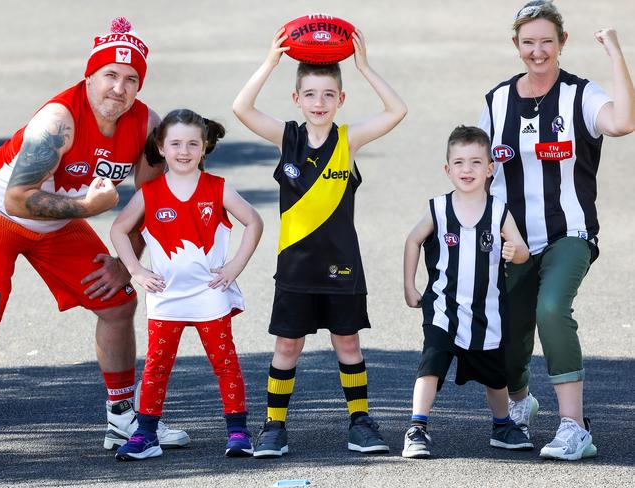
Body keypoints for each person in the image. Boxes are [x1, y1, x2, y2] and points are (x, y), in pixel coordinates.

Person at [0, 17, 189, 450]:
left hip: (56, 223)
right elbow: (20, 198)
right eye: (109, 76)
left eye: (130, 79)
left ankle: (121, 418)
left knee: (118, 302)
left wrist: (125, 263)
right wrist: (86, 208)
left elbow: (152, 202)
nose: (119, 88)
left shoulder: (146, 124)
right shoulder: (57, 120)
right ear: (89, 76)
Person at [232, 27, 407, 457]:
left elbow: (397, 110)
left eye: (329, 95)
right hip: (295, 268)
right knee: (287, 346)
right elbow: (241, 107)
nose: (319, 103)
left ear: (341, 100)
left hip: (343, 266)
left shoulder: (349, 141)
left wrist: (363, 67)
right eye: (310, 95)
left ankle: (360, 423)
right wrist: (271, 62)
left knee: (348, 343)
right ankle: (273, 426)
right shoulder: (286, 138)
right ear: (297, 99)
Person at [479, 0, 635, 460]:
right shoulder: (497, 99)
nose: (538, 51)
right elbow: (479, 170)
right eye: (529, 42)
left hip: (570, 234)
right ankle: (522, 401)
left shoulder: (581, 95)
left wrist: (615, 53)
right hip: (514, 238)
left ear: (562, 43)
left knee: (551, 309)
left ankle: (574, 428)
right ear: (516, 46)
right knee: (507, 338)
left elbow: (623, 122)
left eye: (547, 41)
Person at [110, 109, 264, 460]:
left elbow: (253, 222)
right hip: (166, 297)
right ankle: (147, 435)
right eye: (175, 143)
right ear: (161, 148)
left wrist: (234, 268)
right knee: (156, 366)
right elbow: (118, 228)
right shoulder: (149, 193)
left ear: (205, 146)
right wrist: (135, 270)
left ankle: (238, 432)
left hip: (210, 294)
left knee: (225, 363)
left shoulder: (218, 188)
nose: (184, 151)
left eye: (192, 144)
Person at [402, 125, 532, 459]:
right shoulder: (439, 209)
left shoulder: (498, 211)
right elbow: (413, 240)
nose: (467, 169)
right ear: (447, 170)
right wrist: (409, 285)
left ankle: (503, 425)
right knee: (431, 362)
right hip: (443, 306)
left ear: (490, 168)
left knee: (495, 376)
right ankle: (417, 427)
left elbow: (522, 250)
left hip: (486, 312)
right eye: (459, 162)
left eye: (476, 162)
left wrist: (514, 249)